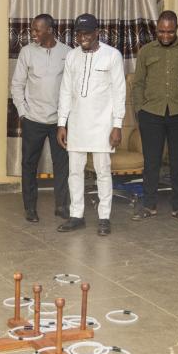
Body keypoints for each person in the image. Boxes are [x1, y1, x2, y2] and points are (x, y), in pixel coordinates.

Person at [56, 13, 126, 236]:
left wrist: (117, 125)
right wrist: (61, 123)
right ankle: (76, 215)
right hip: (76, 124)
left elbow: (119, 92)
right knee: (74, 172)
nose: (82, 37)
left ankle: (104, 217)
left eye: (86, 33)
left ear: (97, 32)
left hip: (103, 125)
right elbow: (65, 91)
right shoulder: (72, 56)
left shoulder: (112, 55)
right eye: (78, 33)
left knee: (102, 172)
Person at [131, 10, 178, 223]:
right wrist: (140, 109)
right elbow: (138, 83)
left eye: (170, 31)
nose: (165, 35)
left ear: (176, 29)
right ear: (156, 29)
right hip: (151, 113)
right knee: (152, 162)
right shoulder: (146, 51)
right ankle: (149, 205)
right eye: (161, 31)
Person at [11, 14, 71, 223]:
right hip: (33, 120)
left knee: (62, 165)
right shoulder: (27, 52)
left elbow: (71, 88)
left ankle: (62, 206)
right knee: (29, 165)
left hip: (59, 123)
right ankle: (30, 208)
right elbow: (17, 85)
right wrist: (23, 113)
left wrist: (66, 117)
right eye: (32, 30)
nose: (33, 33)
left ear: (50, 30)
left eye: (37, 30)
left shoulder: (67, 53)